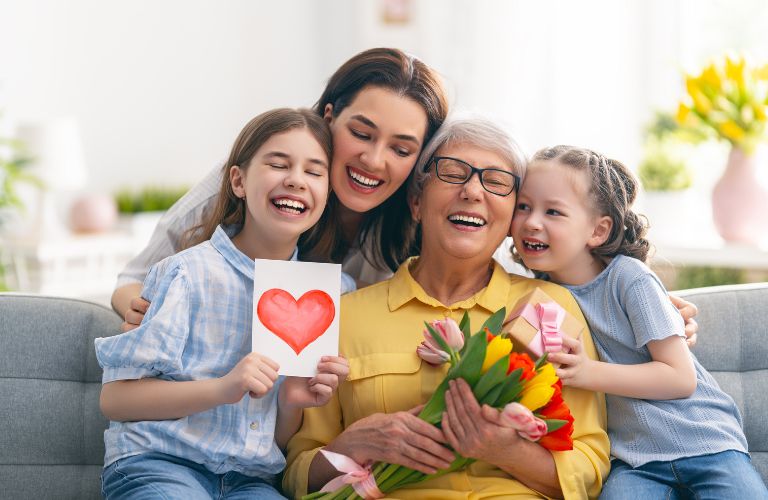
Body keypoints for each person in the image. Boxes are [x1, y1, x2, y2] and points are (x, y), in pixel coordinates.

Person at [283, 119, 610, 499]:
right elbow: (294, 473)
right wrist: (354, 444)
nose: (472, 191)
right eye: (453, 174)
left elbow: (589, 465)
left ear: (511, 218)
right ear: (417, 202)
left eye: (497, 181)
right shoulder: (342, 315)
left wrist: (503, 450)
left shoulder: (550, 306)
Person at [95, 108, 350, 499]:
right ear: (238, 181)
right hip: (158, 462)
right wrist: (223, 388)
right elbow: (116, 400)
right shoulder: (186, 273)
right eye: (279, 164)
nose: (296, 180)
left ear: (326, 194)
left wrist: (291, 401)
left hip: (250, 480)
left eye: (314, 172)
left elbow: (274, 443)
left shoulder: (325, 296)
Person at [111, 47, 449, 331]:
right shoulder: (255, 178)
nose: (374, 161)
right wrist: (152, 318)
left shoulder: (415, 221)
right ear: (329, 117)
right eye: (361, 134)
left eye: (401, 150)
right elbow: (131, 282)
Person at [510, 145, 768, 499]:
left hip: (707, 443)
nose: (531, 221)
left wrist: (587, 372)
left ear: (598, 231)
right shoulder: (538, 297)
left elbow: (679, 377)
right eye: (523, 206)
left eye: (553, 211)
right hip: (631, 460)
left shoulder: (630, 279)